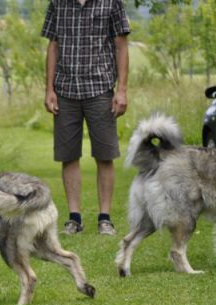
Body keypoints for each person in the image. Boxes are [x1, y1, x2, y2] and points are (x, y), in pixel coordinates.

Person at [42, 0, 130, 235]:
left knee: (105, 155)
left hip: (99, 88)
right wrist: (49, 89)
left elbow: (121, 45)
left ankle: (105, 218)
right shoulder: (57, 3)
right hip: (65, 90)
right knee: (68, 155)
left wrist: (121, 90)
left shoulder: (111, 2)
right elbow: (53, 45)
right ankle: (74, 218)